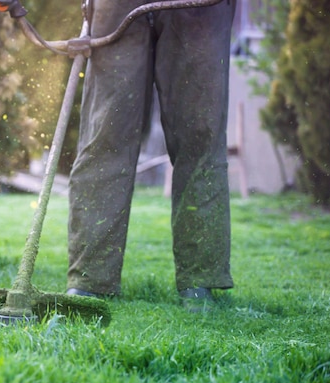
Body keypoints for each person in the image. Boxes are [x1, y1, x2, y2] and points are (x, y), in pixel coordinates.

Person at [65, 0, 236, 309]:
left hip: (202, 6)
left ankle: (200, 281)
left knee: (200, 133)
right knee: (106, 131)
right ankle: (90, 278)